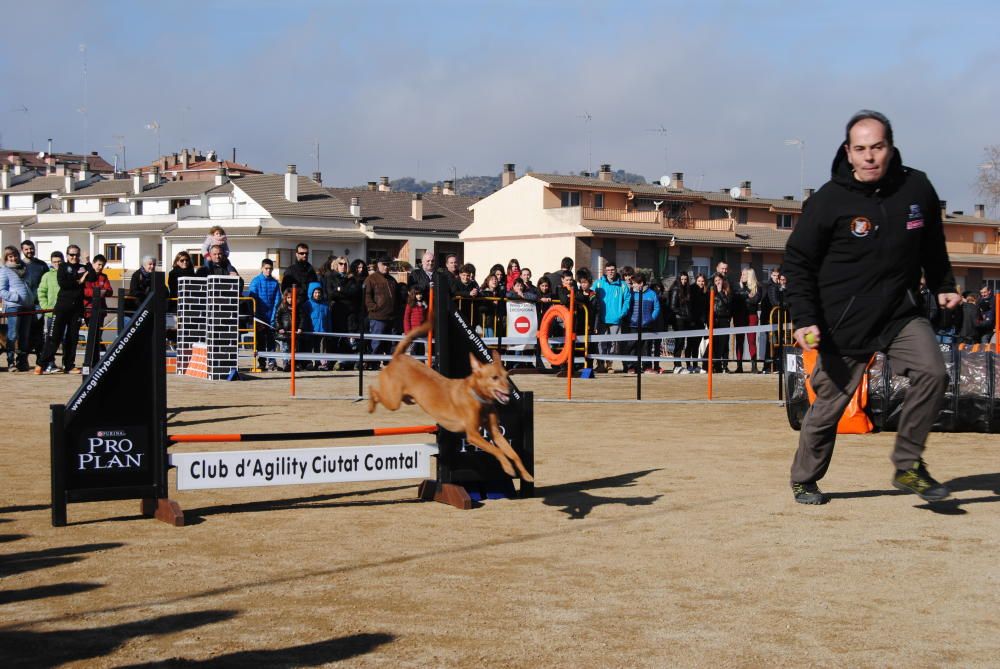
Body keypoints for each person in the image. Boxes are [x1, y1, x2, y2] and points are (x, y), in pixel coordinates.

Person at [783, 109, 961, 505]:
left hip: (900, 311)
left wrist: (943, 285)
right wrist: (805, 318)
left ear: (890, 147)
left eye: (876, 147)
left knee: (934, 372)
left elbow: (932, 243)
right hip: (842, 320)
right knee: (829, 406)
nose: (869, 157)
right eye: (860, 149)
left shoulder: (917, 188)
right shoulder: (828, 201)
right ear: (848, 152)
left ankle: (908, 464)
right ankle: (804, 478)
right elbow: (797, 262)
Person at [34, 244, 87, 374]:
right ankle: (41, 364)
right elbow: (64, 284)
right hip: (62, 307)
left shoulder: (83, 267)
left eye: (76, 255)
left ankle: (69, 365)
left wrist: (88, 262)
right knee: (54, 337)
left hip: (77, 308)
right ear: (67, 256)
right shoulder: (62, 267)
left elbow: (92, 277)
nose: (74, 257)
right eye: (71, 254)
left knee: (72, 337)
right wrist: (79, 281)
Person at [0, 246, 36, 372]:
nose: (13, 258)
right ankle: (11, 362)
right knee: (13, 334)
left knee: (25, 335)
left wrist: (31, 297)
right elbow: (2, 291)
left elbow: (30, 285)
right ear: (6, 258)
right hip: (13, 306)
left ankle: (22, 360)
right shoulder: (4, 270)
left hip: (27, 306)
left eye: (15, 255)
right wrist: (14, 297)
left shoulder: (25, 269)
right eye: (10, 256)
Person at [592, 262, 631, 373]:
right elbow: (590, 295)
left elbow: (627, 300)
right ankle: (600, 364)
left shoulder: (623, 285)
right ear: (605, 271)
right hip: (601, 319)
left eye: (612, 270)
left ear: (616, 270)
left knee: (614, 343)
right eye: (608, 270)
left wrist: (622, 313)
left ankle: (609, 364)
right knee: (601, 342)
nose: (610, 272)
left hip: (616, 319)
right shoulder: (598, 284)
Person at [363, 256, 396, 369]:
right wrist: (374, 308)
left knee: (391, 343)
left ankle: (389, 363)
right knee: (376, 342)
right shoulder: (371, 279)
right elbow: (367, 296)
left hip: (391, 317)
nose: (386, 267)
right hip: (377, 317)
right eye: (384, 264)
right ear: (378, 265)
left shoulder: (392, 280)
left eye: (388, 264)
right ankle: (374, 363)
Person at [248, 258, 281, 371]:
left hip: (271, 316)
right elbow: (252, 299)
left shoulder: (275, 283)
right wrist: (257, 317)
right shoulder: (255, 281)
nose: (268, 271)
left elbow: (277, 301)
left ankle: (272, 362)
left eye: (270, 269)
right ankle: (261, 363)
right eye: (266, 268)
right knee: (260, 341)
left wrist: (273, 317)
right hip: (259, 317)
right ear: (262, 268)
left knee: (272, 341)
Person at [623, 272, 660, 374]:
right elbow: (627, 308)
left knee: (646, 346)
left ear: (641, 283)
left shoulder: (652, 294)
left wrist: (651, 319)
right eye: (633, 283)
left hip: (647, 325)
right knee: (632, 346)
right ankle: (631, 367)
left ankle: (647, 367)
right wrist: (630, 319)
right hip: (633, 325)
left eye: (635, 283)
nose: (633, 285)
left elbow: (657, 308)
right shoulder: (630, 294)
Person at [20, 239, 49, 360]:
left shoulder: (42, 265)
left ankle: (40, 360)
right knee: (24, 333)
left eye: (31, 248)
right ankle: (22, 361)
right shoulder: (19, 265)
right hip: (24, 304)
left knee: (38, 333)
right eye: (26, 249)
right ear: (22, 250)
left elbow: (47, 282)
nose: (29, 251)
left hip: (38, 304)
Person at [36, 251, 63, 372]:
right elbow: (41, 292)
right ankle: (49, 364)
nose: (57, 264)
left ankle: (67, 363)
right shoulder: (47, 276)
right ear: (51, 263)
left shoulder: (68, 274)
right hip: (51, 312)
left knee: (65, 338)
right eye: (54, 262)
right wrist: (45, 307)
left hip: (65, 312)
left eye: (59, 261)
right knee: (51, 339)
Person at [732, 268, 762, 373]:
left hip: (751, 316)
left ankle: (754, 366)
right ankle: (739, 366)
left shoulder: (757, 287)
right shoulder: (737, 286)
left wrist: (744, 294)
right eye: (741, 274)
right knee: (739, 341)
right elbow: (735, 298)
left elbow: (755, 300)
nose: (741, 276)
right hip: (739, 316)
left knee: (752, 341)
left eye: (744, 274)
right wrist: (745, 294)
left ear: (750, 276)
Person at [272, 288, 304, 372]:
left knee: (294, 350)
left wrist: (300, 327)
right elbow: (276, 318)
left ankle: (292, 364)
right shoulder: (282, 306)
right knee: (285, 349)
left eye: (292, 297)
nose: (290, 300)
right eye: (289, 298)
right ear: (285, 298)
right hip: (284, 334)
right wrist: (279, 328)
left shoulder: (298, 307)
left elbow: (302, 318)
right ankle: (286, 364)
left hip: (294, 333)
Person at [669, 273, 695, 373]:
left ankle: (680, 365)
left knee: (682, 343)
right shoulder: (676, 289)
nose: (684, 281)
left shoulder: (686, 290)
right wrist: (683, 313)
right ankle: (677, 365)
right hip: (678, 319)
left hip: (684, 320)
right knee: (679, 342)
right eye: (682, 279)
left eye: (685, 279)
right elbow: (673, 307)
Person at [709, 273, 732, 373]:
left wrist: (720, 292)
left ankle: (725, 365)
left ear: (723, 280)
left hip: (724, 320)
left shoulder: (727, 291)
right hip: (715, 320)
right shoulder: (711, 291)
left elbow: (728, 303)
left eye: (719, 280)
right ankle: (716, 365)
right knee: (716, 344)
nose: (718, 282)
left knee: (725, 343)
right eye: (716, 281)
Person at [305, 281, 330, 370]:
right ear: (311, 293)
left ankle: (323, 364)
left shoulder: (325, 305)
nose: (318, 294)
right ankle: (313, 363)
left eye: (319, 292)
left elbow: (328, 319)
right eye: (315, 292)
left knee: (323, 347)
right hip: (312, 330)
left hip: (323, 330)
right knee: (313, 347)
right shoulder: (308, 304)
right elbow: (305, 318)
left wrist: (329, 330)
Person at [83, 254, 113, 323]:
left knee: (98, 332)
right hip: (88, 309)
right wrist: (97, 292)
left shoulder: (103, 276)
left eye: (103, 265)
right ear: (93, 263)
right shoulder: (85, 275)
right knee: (91, 332)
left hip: (100, 310)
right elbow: (83, 291)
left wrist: (105, 292)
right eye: (99, 264)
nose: (100, 267)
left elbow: (110, 291)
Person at [403, 286, 428, 354]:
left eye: (420, 294)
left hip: (421, 333)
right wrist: (408, 332)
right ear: (414, 295)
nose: (419, 296)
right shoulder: (410, 305)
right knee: (414, 350)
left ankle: (420, 363)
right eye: (417, 294)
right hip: (413, 332)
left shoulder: (424, 305)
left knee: (421, 350)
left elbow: (426, 318)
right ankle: (414, 364)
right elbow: (406, 319)